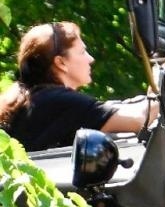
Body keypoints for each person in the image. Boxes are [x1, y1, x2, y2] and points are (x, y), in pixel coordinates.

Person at [0, 21, 157, 151]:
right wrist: (159, 81)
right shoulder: (60, 102)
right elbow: (139, 119)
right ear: (61, 63)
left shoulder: (27, 98)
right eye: (82, 52)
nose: (91, 59)